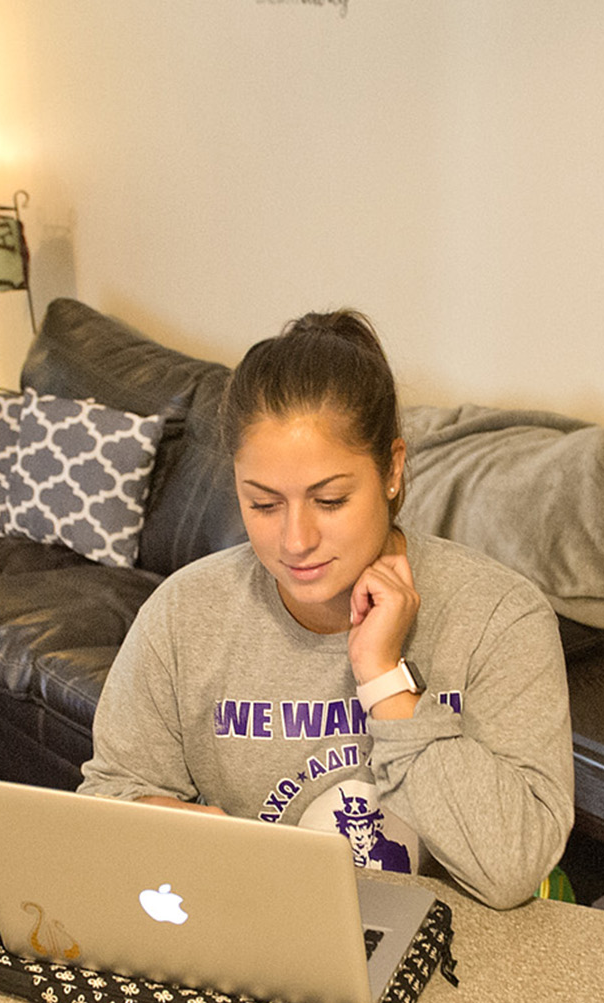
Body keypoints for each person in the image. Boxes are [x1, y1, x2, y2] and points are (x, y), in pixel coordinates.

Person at [78, 310, 573, 909]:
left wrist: (387, 683)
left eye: (330, 500)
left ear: (392, 470)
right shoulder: (182, 615)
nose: (295, 541)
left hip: (449, 960)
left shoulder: (500, 618)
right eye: (263, 504)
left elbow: (515, 866)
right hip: (255, 947)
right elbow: (115, 794)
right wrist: (148, 820)